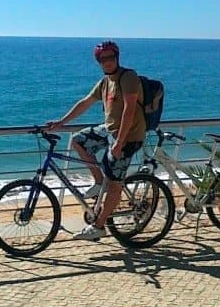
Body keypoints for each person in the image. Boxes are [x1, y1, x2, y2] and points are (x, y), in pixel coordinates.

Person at [45, 40, 146, 240]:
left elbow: (129, 110)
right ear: (98, 61)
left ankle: (99, 226)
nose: (107, 62)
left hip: (129, 137)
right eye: (102, 59)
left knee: (115, 184)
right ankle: (100, 181)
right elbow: (85, 103)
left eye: (110, 57)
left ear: (117, 57)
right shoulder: (105, 82)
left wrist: (119, 143)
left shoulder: (128, 77)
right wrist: (61, 122)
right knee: (78, 140)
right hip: (109, 131)